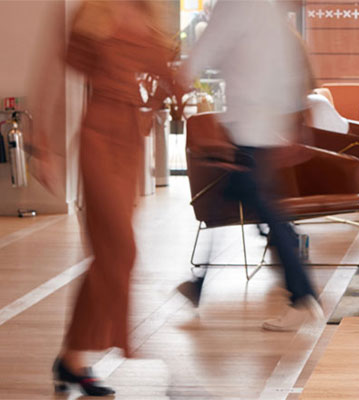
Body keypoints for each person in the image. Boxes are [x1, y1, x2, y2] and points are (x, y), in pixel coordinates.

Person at [29, 1, 179, 396]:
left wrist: (164, 101)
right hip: (98, 136)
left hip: (131, 143)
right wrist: (42, 144)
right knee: (120, 249)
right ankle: (85, 353)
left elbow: (166, 77)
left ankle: (72, 358)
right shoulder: (92, 12)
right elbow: (54, 80)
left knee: (111, 254)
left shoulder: (150, 16)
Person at [178, 0, 323, 331]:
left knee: (266, 212)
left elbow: (205, 50)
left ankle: (302, 296)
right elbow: (288, 73)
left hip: (246, 129)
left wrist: (179, 78)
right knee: (239, 201)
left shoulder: (236, 5)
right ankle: (199, 284)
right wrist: (290, 130)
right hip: (259, 129)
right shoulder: (268, 11)